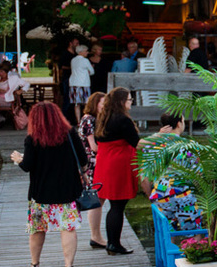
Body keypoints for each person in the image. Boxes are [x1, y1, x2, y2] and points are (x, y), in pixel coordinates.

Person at [11, 101, 86, 267]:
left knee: (37, 230)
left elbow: (27, 166)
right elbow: (83, 160)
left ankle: (35, 265)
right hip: (67, 192)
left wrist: (18, 159)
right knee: (68, 229)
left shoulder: (33, 139)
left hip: (41, 194)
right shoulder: (70, 134)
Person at [93, 87, 141, 254]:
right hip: (118, 164)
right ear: (121, 102)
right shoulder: (122, 120)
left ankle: (112, 243)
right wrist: (160, 139)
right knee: (117, 205)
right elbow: (137, 143)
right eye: (129, 100)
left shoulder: (102, 118)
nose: (131, 102)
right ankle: (114, 244)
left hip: (105, 162)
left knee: (114, 204)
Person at [143, 110, 204, 232]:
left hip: (160, 194)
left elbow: (144, 177)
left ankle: (167, 251)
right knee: (193, 231)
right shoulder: (190, 146)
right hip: (185, 194)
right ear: (179, 123)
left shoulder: (151, 146)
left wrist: (150, 194)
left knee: (166, 232)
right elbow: (199, 175)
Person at [78, 92, 107, 250]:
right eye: (102, 103)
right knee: (96, 198)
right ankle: (95, 236)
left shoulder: (92, 119)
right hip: (91, 162)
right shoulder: (89, 119)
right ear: (95, 103)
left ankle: (96, 235)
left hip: (92, 162)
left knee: (98, 199)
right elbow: (93, 146)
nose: (104, 107)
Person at [68, 43, 95, 109]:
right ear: (80, 52)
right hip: (84, 83)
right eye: (86, 51)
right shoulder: (85, 60)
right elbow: (92, 72)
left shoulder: (73, 60)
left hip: (74, 83)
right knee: (86, 103)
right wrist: (88, 71)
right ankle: (85, 117)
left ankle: (78, 119)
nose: (87, 52)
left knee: (76, 104)